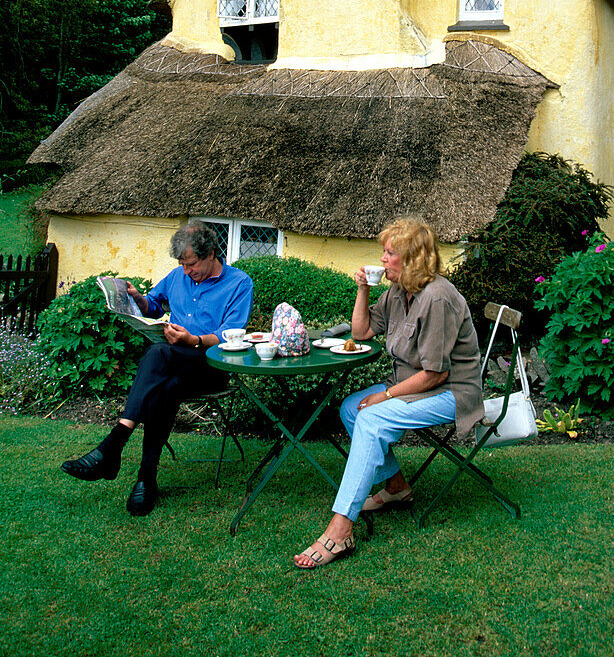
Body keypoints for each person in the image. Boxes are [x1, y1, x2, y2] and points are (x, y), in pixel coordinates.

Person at [294, 217, 483, 568]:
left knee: (369, 416)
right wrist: (363, 289)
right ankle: (396, 487)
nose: (382, 259)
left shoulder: (438, 298)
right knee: (352, 409)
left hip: (451, 393)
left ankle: (340, 530)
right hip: (416, 385)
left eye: (389, 252)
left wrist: (386, 395)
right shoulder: (399, 292)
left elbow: (436, 374)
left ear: (412, 259)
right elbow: (362, 331)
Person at [61, 220, 253, 516]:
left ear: (212, 253)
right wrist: (139, 300)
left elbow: (231, 334)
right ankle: (145, 478)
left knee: (158, 354)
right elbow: (154, 305)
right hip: (175, 368)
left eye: (191, 265)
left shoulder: (239, 283)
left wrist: (194, 339)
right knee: (167, 385)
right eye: (182, 265)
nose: (187, 272)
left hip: (212, 366)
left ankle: (112, 447)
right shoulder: (177, 277)